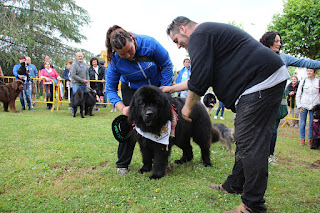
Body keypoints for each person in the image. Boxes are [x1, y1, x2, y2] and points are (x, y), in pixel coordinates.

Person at [164, 16, 289, 213]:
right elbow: (201, 76)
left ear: (183, 29)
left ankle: (253, 206)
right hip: (261, 82)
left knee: (251, 144)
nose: (178, 46)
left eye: (176, 40)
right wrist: (171, 89)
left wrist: (187, 108)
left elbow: (200, 79)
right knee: (245, 138)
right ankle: (234, 184)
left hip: (260, 83)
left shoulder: (199, 35)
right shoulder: (207, 36)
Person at [105, 25, 173, 175]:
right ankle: (123, 163)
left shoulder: (150, 44)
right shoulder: (114, 61)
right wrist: (122, 108)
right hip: (132, 90)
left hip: (156, 87)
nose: (129, 55)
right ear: (115, 53)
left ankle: (161, 160)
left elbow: (167, 64)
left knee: (163, 122)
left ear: (132, 38)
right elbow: (109, 88)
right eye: (123, 54)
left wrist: (165, 89)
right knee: (129, 125)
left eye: (130, 50)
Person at [260, 31, 320, 164]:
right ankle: (257, 155)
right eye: (276, 41)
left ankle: (270, 155)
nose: (279, 44)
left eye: (280, 41)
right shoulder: (258, 55)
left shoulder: (283, 58)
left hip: (276, 101)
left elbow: (303, 61)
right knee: (260, 129)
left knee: (273, 130)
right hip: (261, 99)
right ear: (268, 41)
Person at [296, 68, 320, 147]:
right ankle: (302, 139)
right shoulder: (303, 81)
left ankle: (310, 139)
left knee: (312, 124)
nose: (309, 72)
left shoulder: (318, 81)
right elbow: (298, 93)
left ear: (314, 72)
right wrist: (299, 105)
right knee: (302, 123)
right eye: (308, 71)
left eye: (310, 71)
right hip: (304, 105)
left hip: (314, 106)